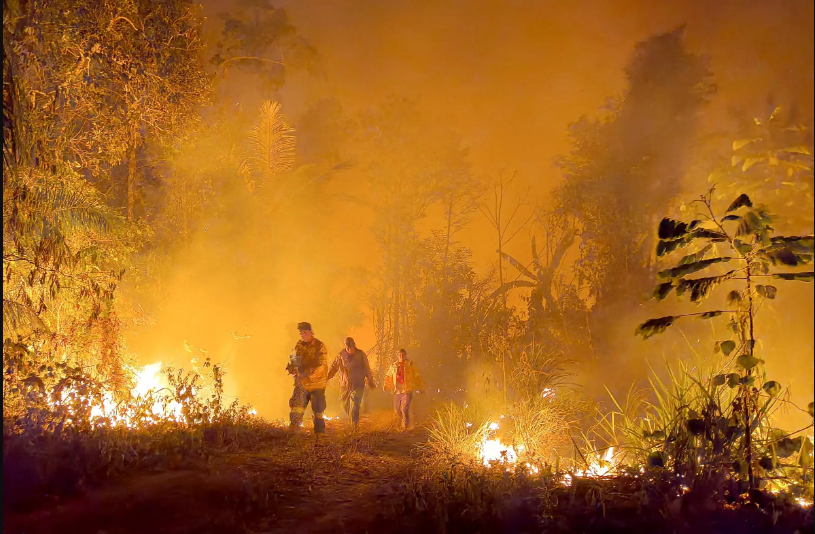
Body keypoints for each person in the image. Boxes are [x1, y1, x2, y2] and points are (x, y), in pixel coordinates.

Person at [287, 322, 328, 435]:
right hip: (302, 383)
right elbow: (295, 360)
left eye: (305, 332)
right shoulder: (299, 345)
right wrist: (293, 366)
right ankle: (294, 434)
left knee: (318, 410)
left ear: (311, 332)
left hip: (316, 384)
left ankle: (319, 436)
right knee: (296, 407)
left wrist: (307, 373)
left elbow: (321, 365)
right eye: (301, 333)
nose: (302, 335)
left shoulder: (320, 345)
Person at [327, 337, 376, 429]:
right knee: (343, 404)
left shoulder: (361, 354)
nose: (349, 349)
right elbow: (334, 367)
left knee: (354, 404)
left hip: (358, 384)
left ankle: (354, 427)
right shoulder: (341, 355)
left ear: (354, 345)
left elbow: (367, 368)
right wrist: (327, 377)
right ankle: (353, 419)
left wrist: (370, 380)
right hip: (345, 385)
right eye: (347, 347)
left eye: (351, 347)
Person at [383, 348, 424, 431]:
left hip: (407, 390)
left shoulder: (410, 364)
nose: (401, 356)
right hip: (397, 391)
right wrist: (385, 385)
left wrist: (420, 386)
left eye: (403, 355)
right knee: (397, 410)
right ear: (397, 356)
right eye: (399, 355)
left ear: (406, 355)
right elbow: (388, 376)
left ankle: (405, 426)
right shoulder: (393, 366)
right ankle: (404, 421)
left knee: (404, 408)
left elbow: (417, 376)